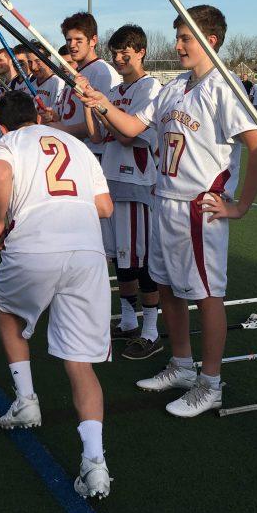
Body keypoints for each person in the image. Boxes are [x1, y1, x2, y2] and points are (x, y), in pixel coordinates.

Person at [76, 4, 257, 417]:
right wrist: (98, 102)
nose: (178, 44)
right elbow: (132, 129)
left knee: (206, 294)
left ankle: (211, 383)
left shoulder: (225, 86)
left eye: (186, 38)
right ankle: (182, 365)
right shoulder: (175, 86)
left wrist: (240, 206)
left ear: (211, 41)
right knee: (166, 287)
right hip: (163, 200)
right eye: (178, 36)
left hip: (198, 207)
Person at [0, 90, 115, 499]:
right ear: (38, 115)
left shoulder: (4, 143)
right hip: (88, 253)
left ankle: (26, 400)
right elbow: (106, 207)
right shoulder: (74, 143)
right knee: (81, 362)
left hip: (35, 246)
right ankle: (95, 464)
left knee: (9, 314)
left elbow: (0, 176)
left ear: (2, 124)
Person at [82, 24, 163, 360]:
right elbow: (98, 136)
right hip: (111, 180)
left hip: (137, 183)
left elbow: (128, 135)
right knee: (122, 260)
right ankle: (128, 321)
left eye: (124, 52)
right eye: (114, 53)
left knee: (140, 260)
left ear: (140, 51)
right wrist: (89, 101)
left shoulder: (151, 87)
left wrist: (104, 109)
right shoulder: (115, 93)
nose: (118, 59)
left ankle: (151, 329)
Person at [61, 12, 122, 160]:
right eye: (69, 40)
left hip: (92, 154)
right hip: (73, 150)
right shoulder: (74, 73)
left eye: (78, 40)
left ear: (93, 40)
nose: (72, 45)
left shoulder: (102, 73)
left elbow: (102, 126)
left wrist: (64, 130)